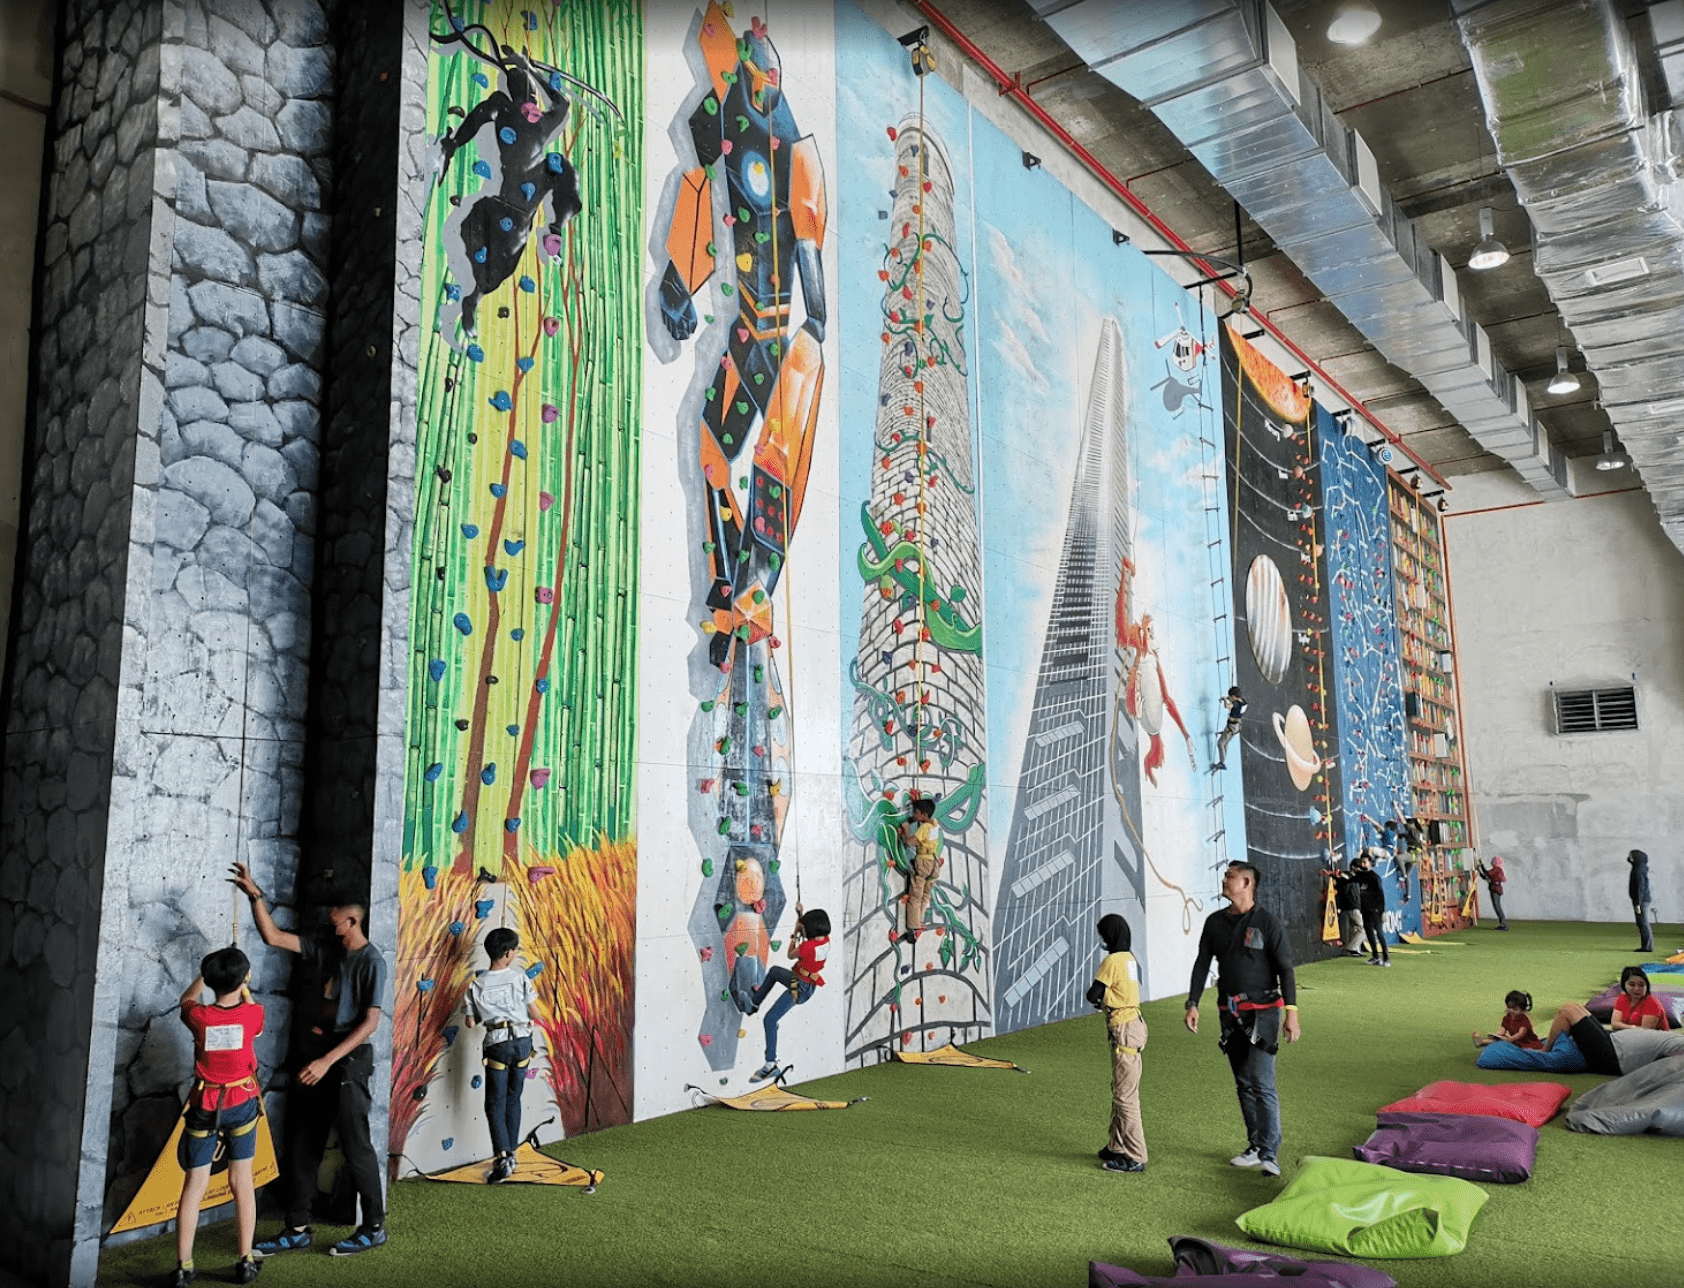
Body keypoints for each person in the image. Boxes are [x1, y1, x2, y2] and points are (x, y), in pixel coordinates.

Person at [230, 863, 390, 1259]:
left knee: (356, 1144)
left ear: (352, 920)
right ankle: (297, 1228)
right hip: (318, 1056)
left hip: (348, 1061)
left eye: (336, 913)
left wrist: (328, 1062)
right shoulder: (326, 948)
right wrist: (255, 896)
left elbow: (370, 1022)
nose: (329, 917)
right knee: (305, 1142)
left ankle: (373, 1227)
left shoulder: (372, 961)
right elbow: (272, 936)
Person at [1185, 861, 1300, 1178]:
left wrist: (1292, 1013)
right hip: (1230, 1013)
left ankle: (1270, 1153)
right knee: (1244, 1083)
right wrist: (1193, 1003)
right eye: (1225, 876)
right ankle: (1254, 1147)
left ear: (1247, 883)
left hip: (1264, 1014)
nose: (1224, 880)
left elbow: (1285, 969)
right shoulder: (1214, 923)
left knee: (1262, 1082)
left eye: (1230, 876)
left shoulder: (1267, 923)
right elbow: (1202, 963)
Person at [172, 947, 265, 1287]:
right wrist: (244, 985)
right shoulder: (254, 1014)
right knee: (242, 1182)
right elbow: (255, 1025)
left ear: (210, 980)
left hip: (205, 1104)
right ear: (244, 979)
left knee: (194, 1185)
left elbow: (186, 999)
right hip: (241, 1103)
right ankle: (245, 1261)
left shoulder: (199, 1017)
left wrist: (204, 975)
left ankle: (184, 1267)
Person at [464, 927, 541, 1182]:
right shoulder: (520, 978)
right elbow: (535, 1013)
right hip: (522, 1042)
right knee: (513, 1098)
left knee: (494, 1103)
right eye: (515, 949)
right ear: (507, 953)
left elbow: (470, 1023)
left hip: (497, 1044)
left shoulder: (475, 985)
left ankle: (503, 1156)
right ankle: (512, 1155)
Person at [1085, 914, 1147, 1174]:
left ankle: (1135, 1156)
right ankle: (1116, 1145)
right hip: (1133, 1026)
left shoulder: (1112, 961)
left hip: (1124, 1030)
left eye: (1103, 935)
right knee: (1122, 1091)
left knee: (1125, 1098)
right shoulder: (1128, 958)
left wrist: (1100, 1001)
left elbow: (1093, 994)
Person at [747, 905, 830, 1082]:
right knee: (774, 972)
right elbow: (808, 935)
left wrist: (794, 934)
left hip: (799, 987)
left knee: (770, 1019)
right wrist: (800, 915)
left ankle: (770, 1065)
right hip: (807, 983)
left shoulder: (806, 947)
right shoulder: (825, 940)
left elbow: (790, 954)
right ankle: (754, 1003)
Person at [898, 798, 942, 936]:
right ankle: (920, 921)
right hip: (934, 862)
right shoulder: (934, 824)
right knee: (925, 894)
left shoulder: (924, 828)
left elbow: (909, 842)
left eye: (916, 812)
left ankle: (914, 925)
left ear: (924, 814)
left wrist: (906, 829)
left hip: (923, 862)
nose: (914, 815)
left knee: (915, 895)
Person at [1351, 851, 1390, 967]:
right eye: (1361, 862)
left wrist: (1381, 911)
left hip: (1375, 911)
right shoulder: (1361, 876)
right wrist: (1336, 877)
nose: (1362, 864)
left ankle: (1386, 958)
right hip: (1366, 910)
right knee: (1369, 933)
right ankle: (1375, 957)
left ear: (1370, 863)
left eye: (1365, 862)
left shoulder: (1374, 877)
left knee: (1379, 933)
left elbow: (1381, 896)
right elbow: (1350, 879)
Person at [1471, 989, 1542, 1049]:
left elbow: (1521, 1033)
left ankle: (1483, 1042)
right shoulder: (1506, 1018)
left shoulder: (1523, 1019)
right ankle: (1482, 1042)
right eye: (1509, 1007)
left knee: (1505, 1042)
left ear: (1522, 1010)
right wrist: (1496, 1036)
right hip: (1515, 1041)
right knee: (1500, 1039)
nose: (1511, 1010)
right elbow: (1502, 1031)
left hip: (1528, 1043)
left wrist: (1511, 1039)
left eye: (1515, 1009)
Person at [1610, 966, 1671, 1031]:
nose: (1637, 989)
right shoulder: (1622, 998)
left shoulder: (1652, 1003)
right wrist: (1632, 1027)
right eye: (1632, 985)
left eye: (1641, 985)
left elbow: (1645, 1031)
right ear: (1624, 985)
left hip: (1653, 1037)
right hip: (1629, 1034)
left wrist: (1625, 1027)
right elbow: (1614, 1024)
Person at [1323, 860, 1363, 956]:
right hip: (1352, 906)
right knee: (1362, 929)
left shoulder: (1353, 878)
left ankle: (1353, 950)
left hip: (1353, 906)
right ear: (1355, 868)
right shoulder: (1346, 876)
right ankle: (1350, 948)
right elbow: (1343, 888)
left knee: (1355, 928)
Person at [1212, 686, 1246, 771]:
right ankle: (1223, 760)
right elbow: (1234, 701)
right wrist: (1228, 698)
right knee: (1226, 743)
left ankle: (1222, 763)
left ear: (1234, 697)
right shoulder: (1243, 702)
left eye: (1230, 697)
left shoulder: (1236, 704)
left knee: (1220, 744)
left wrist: (1224, 700)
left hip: (1231, 728)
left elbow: (1227, 706)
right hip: (1237, 727)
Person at [1628, 849, 1654, 953]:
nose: (1630, 858)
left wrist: (1637, 903)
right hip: (1642, 899)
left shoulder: (1638, 870)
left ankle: (1647, 947)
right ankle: (1647, 946)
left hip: (1641, 900)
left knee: (1643, 923)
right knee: (1643, 923)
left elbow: (1640, 888)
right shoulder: (1639, 868)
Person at [1475, 855, 1509, 930]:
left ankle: (1503, 924)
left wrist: (1481, 866)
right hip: (1496, 889)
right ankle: (1502, 923)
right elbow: (1486, 877)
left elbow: (1487, 874)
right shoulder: (1498, 870)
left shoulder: (1497, 870)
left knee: (1497, 906)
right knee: (1497, 906)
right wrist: (1479, 870)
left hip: (1495, 889)